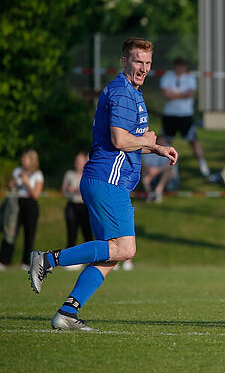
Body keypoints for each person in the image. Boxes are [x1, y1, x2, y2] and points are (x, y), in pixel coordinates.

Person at [28, 37, 178, 331]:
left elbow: (128, 143)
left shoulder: (133, 92)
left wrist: (155, 147)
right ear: (124, 61)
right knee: (125, 249)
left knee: (110, 255)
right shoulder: (122, 93)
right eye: (137, 61)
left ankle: (67, 313)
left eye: (148, 63)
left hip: (110, 181)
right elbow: (120, 141)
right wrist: (148, 141)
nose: (143, 68)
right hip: (108, 179)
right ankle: (47, 259)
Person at [160, 57, 208, 177]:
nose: (180, 69)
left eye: (182, 66)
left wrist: (173, 95)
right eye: (178, 66)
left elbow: (190, 93)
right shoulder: (167, 77)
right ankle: (166, 168)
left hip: (185, 115)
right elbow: (166, 95)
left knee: (193, 141)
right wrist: (181, 95)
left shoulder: (190, 78)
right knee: (165, 143)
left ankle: (203, 165)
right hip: (170, 115)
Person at [0, 149, 44, 271]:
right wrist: (12, 184)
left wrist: (26, 182)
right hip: (16, 203)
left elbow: (36, 194)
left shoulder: (37, 174)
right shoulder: (17, 171)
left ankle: (26, 262)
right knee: (11, 230)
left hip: (30, 204)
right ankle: (3, 260)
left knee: (29, 233)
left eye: (26, 158)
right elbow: (12, 188)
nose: (23, 160)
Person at [61, 153, 93, 258]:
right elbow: (63, 190)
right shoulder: (69, 174)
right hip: (72, 205)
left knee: (87, 234)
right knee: (71, 233)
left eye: (81, 161)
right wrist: (70, 190)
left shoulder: (89, 175)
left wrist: (80, 190)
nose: (78, 164)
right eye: (77, 161)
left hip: (84, 206)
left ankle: (90, 258)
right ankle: (69, 259)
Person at [141, 136, 179, 203]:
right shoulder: (149, 149)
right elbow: (143, 163)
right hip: (153, 175)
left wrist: (157, 171)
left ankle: (158, 192)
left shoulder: (170, 150)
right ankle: (149, 193)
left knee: (167, 171)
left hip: (168, 179)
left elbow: (170, 165)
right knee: (145, 172)